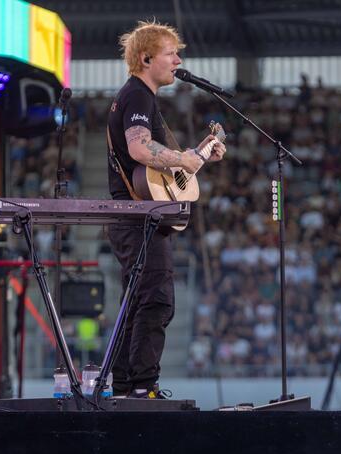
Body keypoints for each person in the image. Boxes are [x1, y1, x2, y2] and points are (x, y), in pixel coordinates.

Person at [106, 20, 226, 398]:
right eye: (171, 53)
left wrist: (199, 155)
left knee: (140, 300)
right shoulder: (138, 95)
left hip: (137, 216)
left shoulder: (139, 97)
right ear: (145, 58)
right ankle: (143, 387)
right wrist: (183, 158)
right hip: (138, 217)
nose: (178, 59)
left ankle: (127, 386)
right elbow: (141, 150)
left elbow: (164, 173)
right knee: (157, 299)